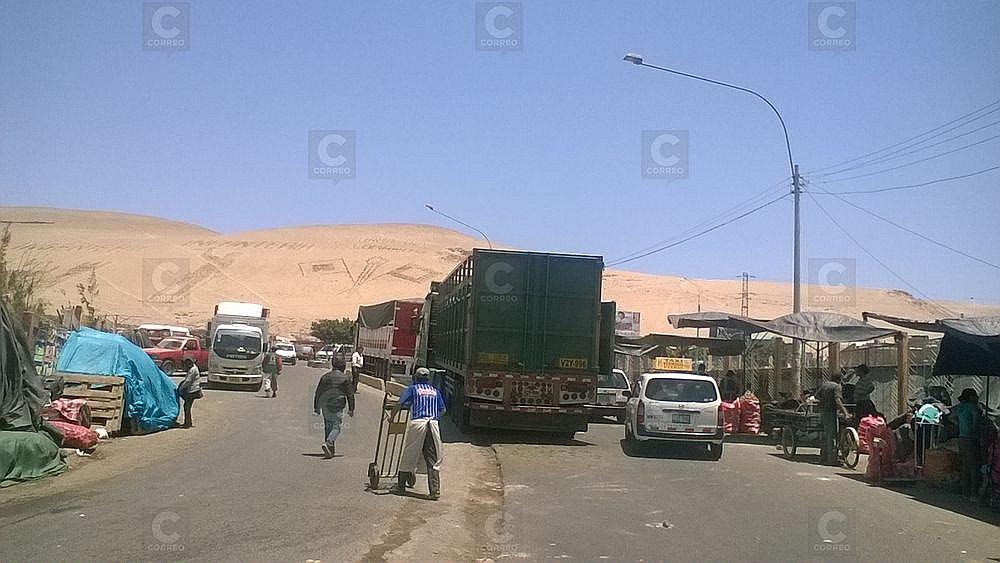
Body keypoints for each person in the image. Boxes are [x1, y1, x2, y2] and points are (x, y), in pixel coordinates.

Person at [392, 367, 446, 500]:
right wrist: (434, 418)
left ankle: (401, 486)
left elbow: (400, 403)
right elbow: (443, 409)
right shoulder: (435, 391)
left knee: (409, 453)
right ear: (428, 379)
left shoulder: (413, 389)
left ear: (415, 378)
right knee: (432, 459)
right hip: (432, 425)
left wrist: (392, 417)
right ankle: (435, 490)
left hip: (418, 423)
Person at [313, 358, 355, 458]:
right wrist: (351, 409)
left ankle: (330, 451)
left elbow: (318, 393)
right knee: (337, 427)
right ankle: (329, 442)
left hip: (325, 405)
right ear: (343, 367)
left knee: (328, 426)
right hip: (338, 405)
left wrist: (316, 407)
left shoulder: (325, 377)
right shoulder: (345, 378)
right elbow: (350, 395)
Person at [951, 388, 982, 502]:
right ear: (971, 397)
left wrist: (960, 424)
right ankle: (973, 494)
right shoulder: (973, 407)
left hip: (961, 438)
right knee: (974, 466)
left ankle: (965, 492)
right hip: (971, 438)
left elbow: (951, 417)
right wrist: (973, 428)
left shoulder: (960, 407)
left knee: (965, 466)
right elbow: (976, 419)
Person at [815, 371, 851, 466]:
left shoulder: (825, 385)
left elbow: (816, 396)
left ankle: (823, 457)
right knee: (832, 435)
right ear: (840, 379)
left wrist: (824, 401)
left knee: (827, 434)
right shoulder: (837, 386)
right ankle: (832, 459)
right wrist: (845, 412)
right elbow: (837, 400)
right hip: (831, 412)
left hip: (823, 412)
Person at [176, 359, 203, 428]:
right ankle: (188, 422)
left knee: (187, 407)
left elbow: (187, 381)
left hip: (192, 391)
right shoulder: (194, 368)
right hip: (193, 390)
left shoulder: (192, 370)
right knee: (187, 406)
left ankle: (187, 423)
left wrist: (180, 389)